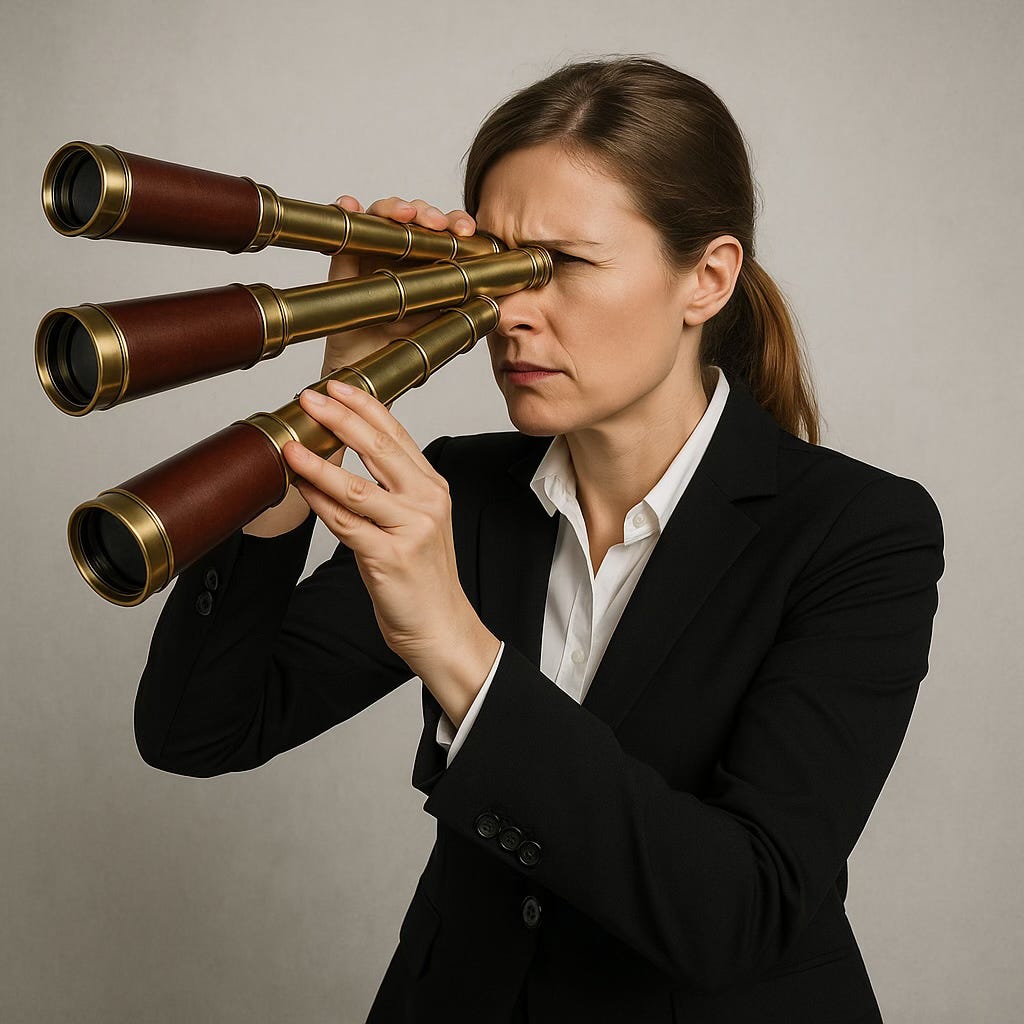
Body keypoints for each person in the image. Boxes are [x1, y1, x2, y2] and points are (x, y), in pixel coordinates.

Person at [133, 56, 945, 1023]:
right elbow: (198, 731)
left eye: (562, 265)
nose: (509, 312)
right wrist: (326, 412)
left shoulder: (861, 534)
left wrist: (458, 648)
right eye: (495, 264)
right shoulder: (467, 492)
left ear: (707, 278)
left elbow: (739, 911)